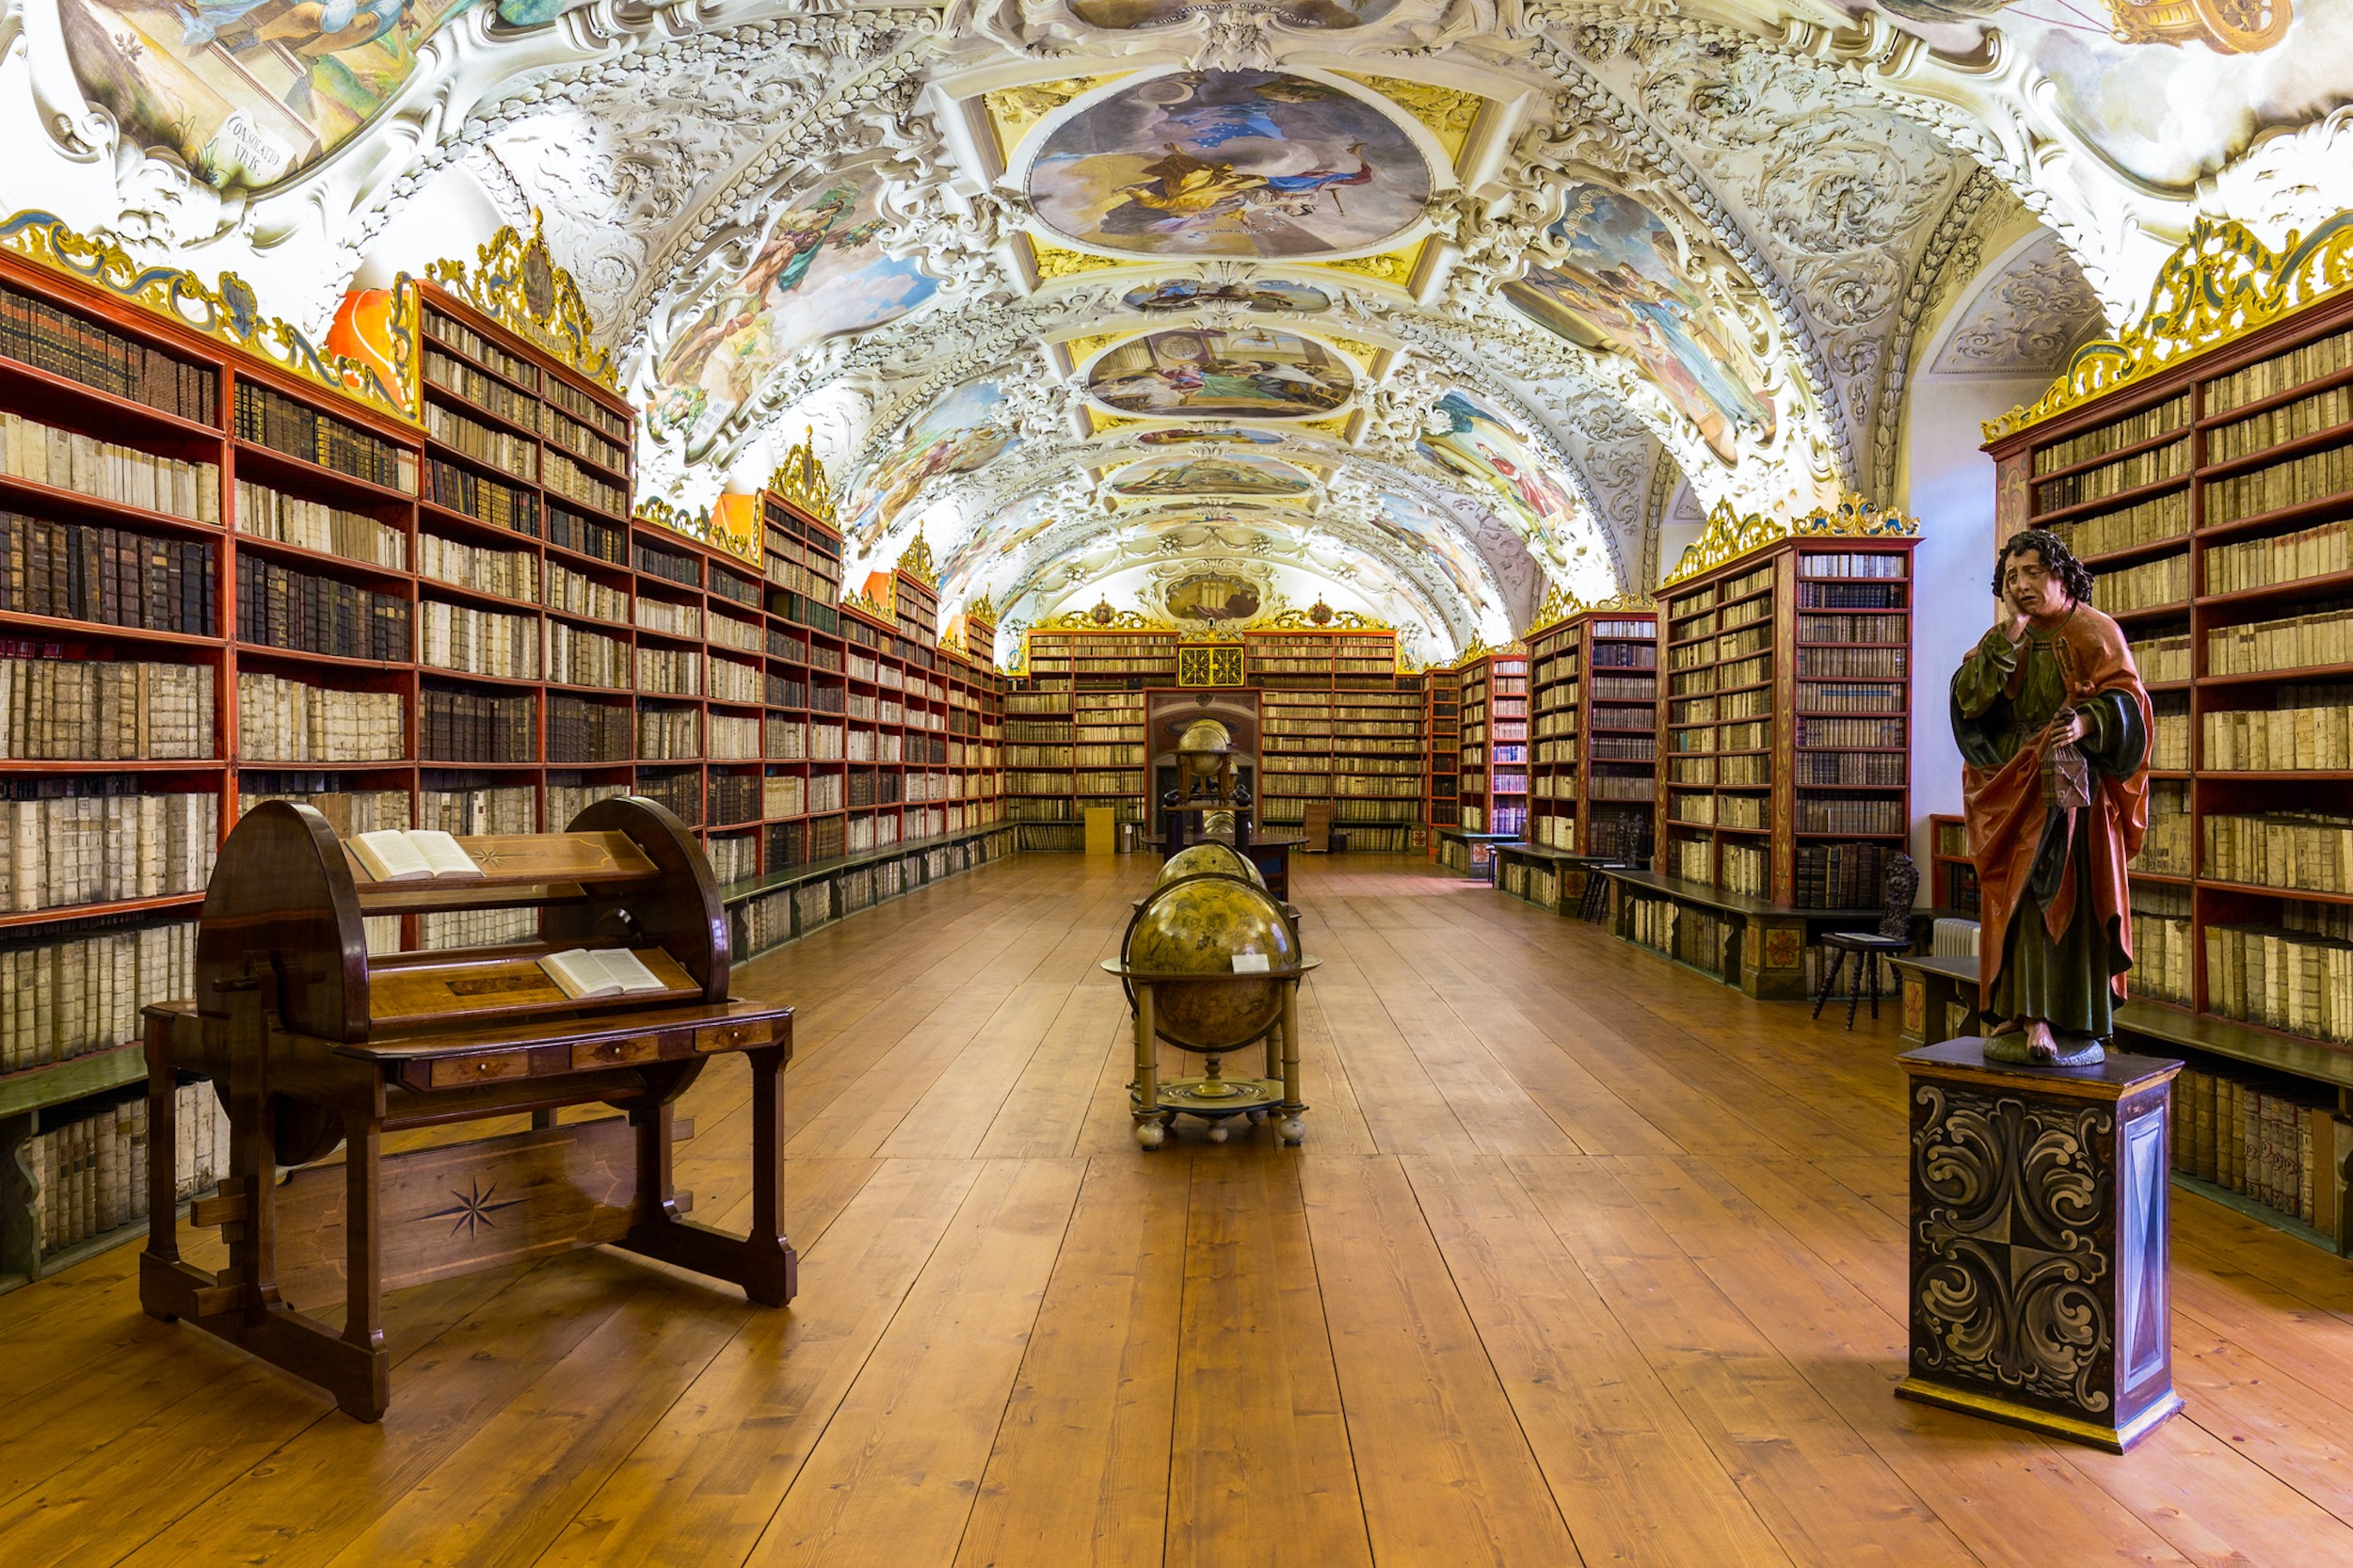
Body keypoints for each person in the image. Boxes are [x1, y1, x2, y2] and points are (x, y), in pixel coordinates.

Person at [1950, 529, 2152, 1064]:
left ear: (2062, 577)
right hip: (2013, 786)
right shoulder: (2001, 638)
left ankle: (2062, 1018)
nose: (2021, 585)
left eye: (2033, 573)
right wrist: (2009, 636)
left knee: (2058, 897)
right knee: (2014, 903)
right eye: (2012, 577)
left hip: (2071, 790)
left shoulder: (2095, 631)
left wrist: (2088, 721)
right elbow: (1968, 702)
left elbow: (2131, 706)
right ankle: (2019, 1010)